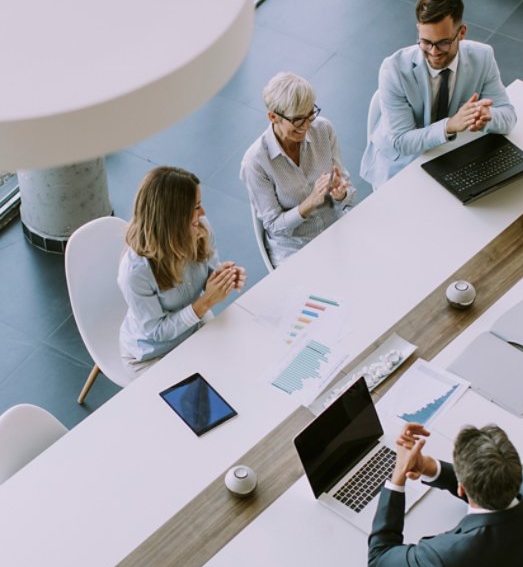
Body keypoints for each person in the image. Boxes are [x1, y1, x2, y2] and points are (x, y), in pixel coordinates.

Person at [360, 0, 517, 190]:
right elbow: (401, 141)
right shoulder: (394, 70)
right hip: (402, 164)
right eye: (426, 42)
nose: (434, 53)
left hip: (450, 156)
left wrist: (487, 116)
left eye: (443, 43)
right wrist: (450, 125)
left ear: (461, 33)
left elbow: (509, 117)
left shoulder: (482, 57)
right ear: (418, 30)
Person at [368, 423, 523, 567]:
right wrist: (429, 467)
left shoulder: (445, 557)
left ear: (461, 487)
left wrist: (398, 475)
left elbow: (380, 556)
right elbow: (495, 486)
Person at [118, 166, 246, 376]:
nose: (202, 213)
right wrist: (205, 303)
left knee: (238, 369)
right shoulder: (135, 272)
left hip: (193, 329)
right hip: (152, 355)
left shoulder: (200, 228)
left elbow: (209, 271)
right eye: (196, 207)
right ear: (173, 217)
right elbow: (156, 331)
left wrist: (224, 277)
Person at [240, 72, 356, 268]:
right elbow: (275, 227)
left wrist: (341, 194)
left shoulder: (323, 130)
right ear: (273, 117)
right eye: (298, 120)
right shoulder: (256, 162)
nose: (307, 125)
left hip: (336, 230)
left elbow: (350, 196)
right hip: (295, 250)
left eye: (311, 114)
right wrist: (309, 202)